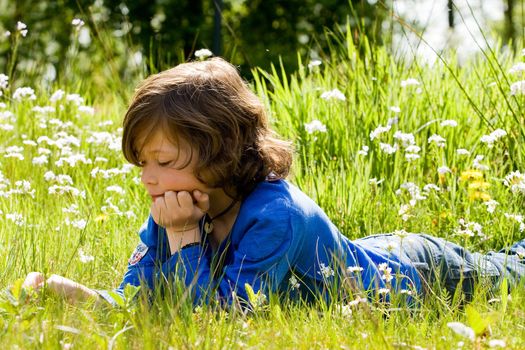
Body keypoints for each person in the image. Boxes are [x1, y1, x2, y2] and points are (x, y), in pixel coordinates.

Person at [22, 57, 525, 308]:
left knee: (510, 271)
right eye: (141, 165)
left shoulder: (275, 215)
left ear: (221, 150)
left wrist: (182, 240)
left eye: (164, 160)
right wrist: (79, 296)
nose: (148, 178)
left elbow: (221, 319)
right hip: (367, 252)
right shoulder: (175, 202)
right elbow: (145, 301)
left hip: (412, 275)